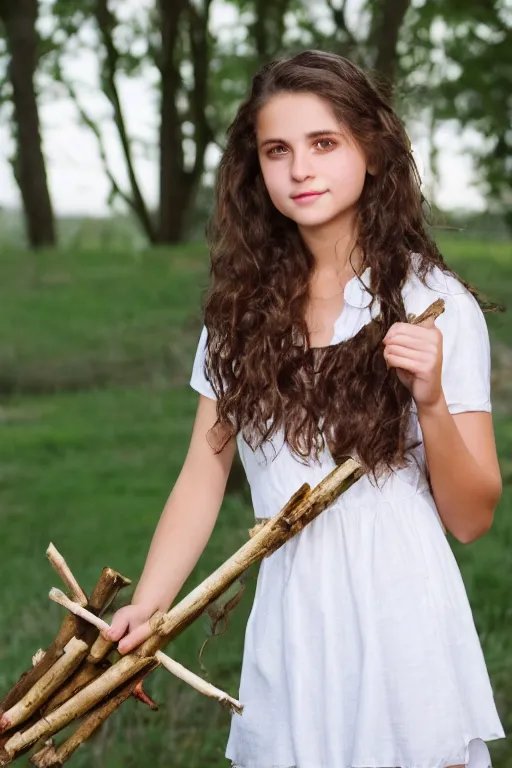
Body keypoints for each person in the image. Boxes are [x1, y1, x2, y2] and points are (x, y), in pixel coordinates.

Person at [104, 50, 505, 768]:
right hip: (291, 612)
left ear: (373, 151)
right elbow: (205, 467)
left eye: (324, 143)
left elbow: (474, 519)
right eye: (277, 150)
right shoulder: (239, 317)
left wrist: (434, 402)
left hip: (401, 611)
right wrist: (152, 604)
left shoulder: (433, 305)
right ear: (255, 168)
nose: (300, 170)